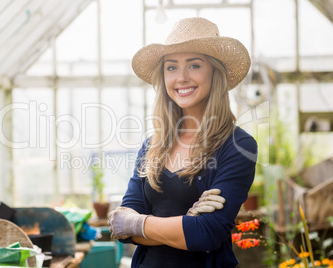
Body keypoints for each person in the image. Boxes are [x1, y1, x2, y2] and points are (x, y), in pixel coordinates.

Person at [108, 17, 258, 268]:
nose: (181, 77)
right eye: (171, 67)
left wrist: (139, 223)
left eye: (194, 65)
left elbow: (207, 233)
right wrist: (185, 222)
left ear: (215, 73)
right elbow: (121, 228)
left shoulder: (238, 146)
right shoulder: (151, 146)